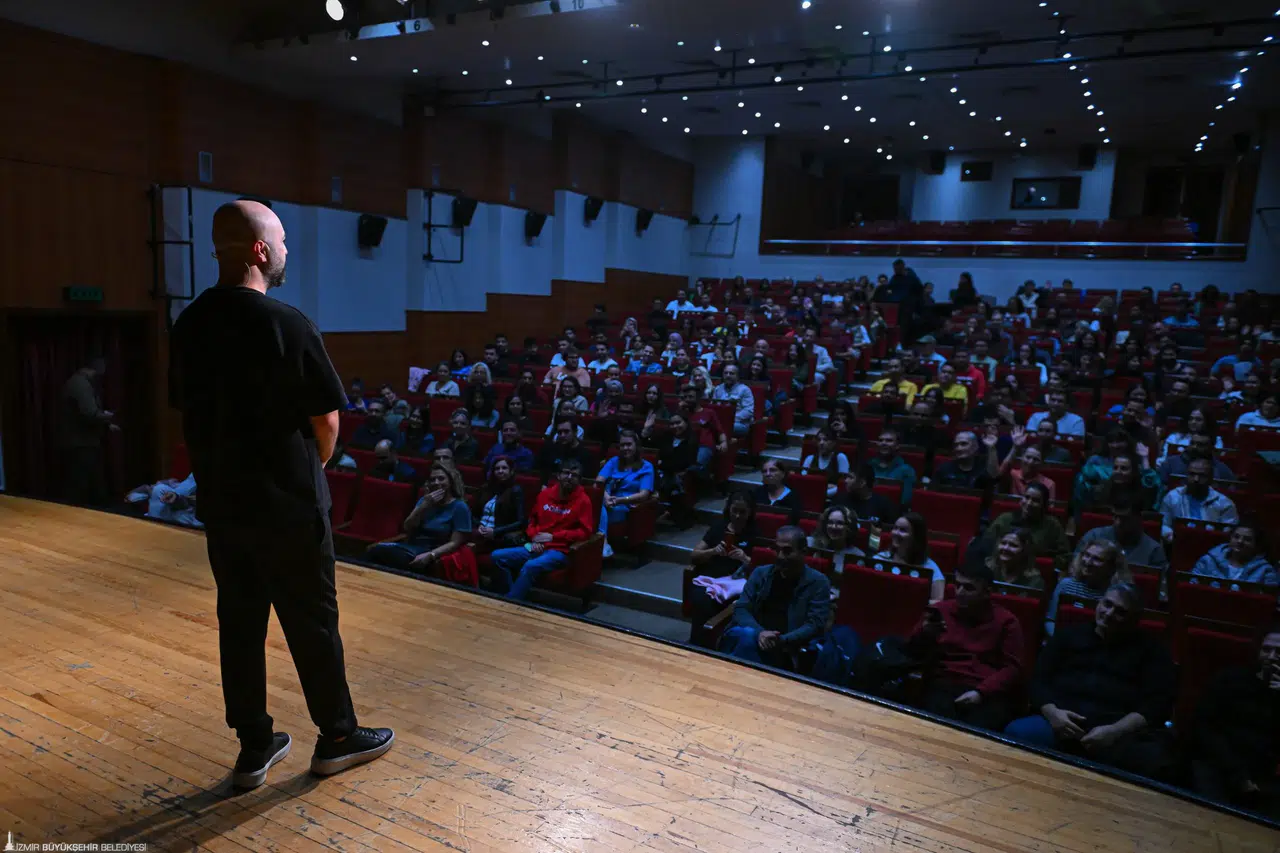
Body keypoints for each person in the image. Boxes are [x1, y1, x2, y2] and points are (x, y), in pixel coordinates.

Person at [169, 200, 391, 790]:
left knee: (239, 623)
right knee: (312, 622)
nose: (289, 250)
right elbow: (328, 425)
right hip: (288, 505)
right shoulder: (287, 323)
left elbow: (188, 414)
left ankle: (253, 746)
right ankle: (338, 737)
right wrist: (304, 475)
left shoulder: (188, 325)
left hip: (223, 505)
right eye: (284, 241)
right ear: (261, 252)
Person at [1005, 583, 1177, 781]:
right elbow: (1038, 680)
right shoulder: (1068, 636)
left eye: (1120, 612)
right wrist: (1053, 715)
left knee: (1156, 761)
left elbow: (1156, 704)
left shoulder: (1152, 652)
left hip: (1115, 733)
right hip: (1059, 723)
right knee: (1017, 732)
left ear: (1134, 620)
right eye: (1107, 604)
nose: (1109, 613)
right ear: (1098, 603)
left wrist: (1115, 731)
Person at [905, 562, 1024, 730]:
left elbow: (1012, 669)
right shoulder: (939, 611)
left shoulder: (1006, 621)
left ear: (987, 592)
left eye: (969, 588)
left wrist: (981, 692)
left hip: (984, 691)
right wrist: (925, 634)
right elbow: (912, 652)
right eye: (958, 585)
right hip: (943, 684)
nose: (960, 592)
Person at [1191, 629, 1280, 818]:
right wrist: (1238, 776)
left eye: (1278, 652)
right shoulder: (1230, 679)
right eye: (1267, 650)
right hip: (1218, 764)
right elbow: (1204, 727)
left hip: (1260, 775)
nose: (1271, 657)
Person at [720, 527, 832, 669]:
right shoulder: (760, 573)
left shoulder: (819, 582)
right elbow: (741, 608)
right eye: (777, 550)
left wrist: (781, 640)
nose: (780, 556)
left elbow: (815, 624)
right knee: (747, 637)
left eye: (787, 551)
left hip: (787, 645)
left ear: (804, 552)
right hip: (751, 634)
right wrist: (760, 633)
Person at [489, 459, 595, 600]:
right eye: (566, 473)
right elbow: (532, 521)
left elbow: (585, 532)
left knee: (530, 566)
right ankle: (513, 594)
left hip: (560, 551)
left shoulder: (583, 501)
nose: (569, 478)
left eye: (574, 475)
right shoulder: (545, 495)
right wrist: (534, 537)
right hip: (535, 546)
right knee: (497, 556)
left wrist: (554, 537)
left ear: (579, 480)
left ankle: (510, 602)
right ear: (558, 475)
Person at [366, 462, 476, 583]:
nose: (436, 483)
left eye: (441, 478)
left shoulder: (459, 507)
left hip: (435, 552)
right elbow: (407, 527)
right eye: (432, 479)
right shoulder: (425, 501)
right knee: (374, 552)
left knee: (386, 556)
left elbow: (455, 542)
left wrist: (431, 555)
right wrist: (423, 507)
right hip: (412, 547)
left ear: (450, 482)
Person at [688, 491, 759, 646]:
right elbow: (695, 555)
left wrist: (744, 558)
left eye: (743, 512)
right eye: (735, 511)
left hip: (738, 582)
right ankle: (697, 644)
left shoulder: (755, 533)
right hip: (712, 579)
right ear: (729, 509)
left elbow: (762, 567)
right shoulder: (718, 527)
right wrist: (713, 551)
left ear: (750, 512)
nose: (738, 516)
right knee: (701, 599)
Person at [60, 355, 119, 506]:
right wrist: (107, 416)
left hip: (80, 442)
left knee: (85, 484)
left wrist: (106, 425)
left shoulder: (78, 382)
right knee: (82, 486)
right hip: (82, 443)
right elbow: (90, 413)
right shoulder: (81, 384)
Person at [983, 482, 1070, 572]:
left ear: (1044, 505)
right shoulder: (1005, 519)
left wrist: (1043, 565)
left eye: (1035, 500)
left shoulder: (1052, 525)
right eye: (1027, 497)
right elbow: (986, 544)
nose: (1029, 503)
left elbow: (1065, 556)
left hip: (1035, 574)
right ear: (1021, 499)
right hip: (1001, 570)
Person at [1044, 540, 1127, 635]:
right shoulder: (1065, 584)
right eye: (1087, 555)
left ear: (1111, 567)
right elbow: (1050, 620)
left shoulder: (1114, 596)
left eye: (1097, 559)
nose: (1088, 562)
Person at [594, 430, 656, 556]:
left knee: (597, 511)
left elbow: (644, 494)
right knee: (596, 505)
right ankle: (604, 543)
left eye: (629, 444)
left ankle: (601, 543)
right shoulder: (613, 461)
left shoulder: (646, 467)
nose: (625, 448)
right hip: (606, 500)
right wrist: (605, 497)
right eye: (622, 445)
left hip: (626, 505)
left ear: (636, 446)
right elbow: (598, 482)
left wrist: (619, 500)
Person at [1158, 456, 1239, 542]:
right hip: (1176, 544)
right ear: (1186, 475)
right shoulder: (1172, 497)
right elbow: (1164, 524)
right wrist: (1172, 537)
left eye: (1202, 475)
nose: (1196, 479)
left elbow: (1229, 532)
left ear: (1211, 478)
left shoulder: (1225, 503)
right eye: (1192, 474)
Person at [1074, 499, 1168, 572]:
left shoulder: (1154, 551)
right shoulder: (1094, 536)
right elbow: (1074, 566)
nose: (1118, 523)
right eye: (1115, 516)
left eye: (1125, 519)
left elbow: (1158, 589)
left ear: (1139, 518)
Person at [874, 512, 945, 602]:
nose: (896, 533)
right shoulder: (879, 559)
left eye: (903, 530)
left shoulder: (929, 567)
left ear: (916, 537)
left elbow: (938, 599)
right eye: (895, 528)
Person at [1192, 522, 1277, 586]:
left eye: (1247, 539)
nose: (1240, 541)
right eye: (1236, 537)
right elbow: (1192, 586)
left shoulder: (1266, 571)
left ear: (1256, 545)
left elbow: (1270, 600)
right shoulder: (1208, 560)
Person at [473, 457, 527, 556]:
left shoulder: (515, 491)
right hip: (480, 532)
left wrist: (495, 531)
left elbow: (520, 522)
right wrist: (479, 525)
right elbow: (473, 514)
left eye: (504, 468)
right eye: (497, 468)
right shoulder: (485, 488)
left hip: (499, 535)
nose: (500, 471)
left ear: (511, 471)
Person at [997, 427, 1056, 501]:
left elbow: (1050, 509)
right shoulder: (1012, 474)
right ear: (1021, 458)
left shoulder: (1049, 484)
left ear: (1041, 464)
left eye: (1036, 459)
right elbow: (999, 474)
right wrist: (1015, 447)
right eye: (1028, 457)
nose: (1030, 462)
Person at [833, 464, 898, 530]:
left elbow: (891, 529)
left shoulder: (883, 504)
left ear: (862, 482)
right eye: (846, 477)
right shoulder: (839, 500)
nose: (846, 481)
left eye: (850, 477)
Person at [808, 505, 865, 576]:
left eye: (840, 523)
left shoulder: (858, 556)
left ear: (849, 528)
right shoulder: (809, 543)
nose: (834, 527)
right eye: (830, 522)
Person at [932, 431, 998, 491]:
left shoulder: (983, 467)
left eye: (964, 444)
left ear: (975, 447)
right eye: (956, 445)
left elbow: (993, 476)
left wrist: (991, 447)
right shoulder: (944, 469)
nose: (958, 448)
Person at [536, 416, 597, 481]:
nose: (562, 435)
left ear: (575, 432)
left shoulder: (586, 456)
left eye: (566, 431)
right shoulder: (549, 450)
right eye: (560, 432)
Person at [1156, 433, 1236, 481]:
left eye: (1200, 445)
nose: (1194, 447)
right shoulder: (1170, 463)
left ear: (1211, 448)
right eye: (1192, 443)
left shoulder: (1223, 470)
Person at [868, 428, 918, 505]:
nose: (883, 443)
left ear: (897, 446)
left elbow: (905, 501)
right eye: (880, 440)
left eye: (889, 441)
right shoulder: (869, 465)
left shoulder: (907, 471)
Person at [800, 428, 851, 498]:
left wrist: (822, 493)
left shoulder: (841, 458)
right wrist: (825, 486)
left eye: (825, 440)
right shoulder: (810, 458)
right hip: (810, 496)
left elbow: (844, 485)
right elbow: (802, 481)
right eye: (819, 440)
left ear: (833, 442)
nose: (821, 443)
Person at [711, 365, 755, 436]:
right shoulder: (718, 389)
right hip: (720, 421)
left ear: (737, 376)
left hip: (739, 423)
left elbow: (748, 411)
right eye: (726, 373)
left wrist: (729, 419)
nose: (728, 375)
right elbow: (713, 406)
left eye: (731, 373)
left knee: (722, 427)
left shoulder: (745, 390)